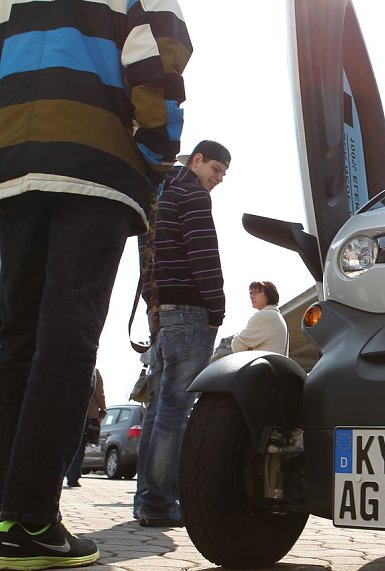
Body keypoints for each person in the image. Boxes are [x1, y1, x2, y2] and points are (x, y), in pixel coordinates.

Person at [0, 2, 191, 569]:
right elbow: (156, 61)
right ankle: (29, 521)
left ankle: (6, 517)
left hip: (11, 166)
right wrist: (157, 153)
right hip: (93, 165)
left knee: (14, 341)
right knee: (66, 341)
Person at [134, 140, 230, 528]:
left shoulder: (158, 194)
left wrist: (152, 308)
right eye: (216, 169)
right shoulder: (193, 196)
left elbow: (145, 261)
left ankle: (146, 500)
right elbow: (204, 257)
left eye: (223, 174)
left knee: (158, 409)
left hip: (160, 313)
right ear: (197, 160)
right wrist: (217, 310)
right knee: (174, 412)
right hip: (190, 311)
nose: (219, 178)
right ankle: (160, 502)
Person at [65, 370, 107, 488]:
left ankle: (67, 474)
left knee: (68, 445)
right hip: (86, 413)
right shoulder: (94, 371)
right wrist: (102, 410)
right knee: (79, 446)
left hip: (68, 411)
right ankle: (73, 477)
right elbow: (99, 393)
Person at [231, 281, 289, 355]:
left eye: (256, 292)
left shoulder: (263, 316)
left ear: (268, 294)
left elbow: (237, 346)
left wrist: (248, 347)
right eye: (251, 293)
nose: (251, 296)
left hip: (263, 362)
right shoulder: (278, 316)